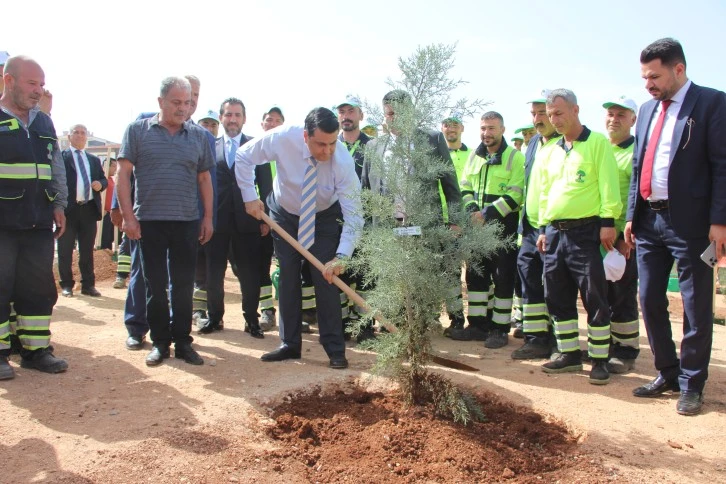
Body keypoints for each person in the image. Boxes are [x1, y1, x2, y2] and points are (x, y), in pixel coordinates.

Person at [625, 38, 726, 415]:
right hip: (650, 221)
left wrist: (720, 221)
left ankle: (692, 384)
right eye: (644, 77)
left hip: (693, 225)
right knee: (649, 298)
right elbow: (639, 166)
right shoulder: (649, 110)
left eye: (654, 76)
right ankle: (668, 372)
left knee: (696, 306)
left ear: (678, 69)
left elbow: (722, 165)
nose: (648, 84)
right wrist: (633, 214)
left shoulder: (713, 102)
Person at [237, 107, 363, 369]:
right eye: (320, 144)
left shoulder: (342, 161)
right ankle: (289, 344)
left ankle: (334, 349)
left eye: (332, 143)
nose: (327, 151)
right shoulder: (282, 138)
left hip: (325, 217)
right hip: (284, 214)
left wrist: (342, 256)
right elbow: (243, 156)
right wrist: (249, 195)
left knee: (326, 277)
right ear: (305, 136)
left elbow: (354, 216)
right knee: (288, 277)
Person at [116, 76, 214, 367]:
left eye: (187, 102)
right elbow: (122, 175)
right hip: (149, 222)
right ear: (160, 102)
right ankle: (160, 343)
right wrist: (128, 217)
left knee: (183, 286)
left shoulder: (197, 136)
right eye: (176, 102)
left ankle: (183, 341)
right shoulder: (137, 131)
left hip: (186, 222)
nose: (183, 108)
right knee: (154, 287)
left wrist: (207, 217)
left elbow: (204, 178)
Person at [534, 89, 621, 385]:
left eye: (559, 112)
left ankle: (598, 359)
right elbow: (546, 193)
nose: (554, 119)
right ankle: (569, 354)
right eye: (550, 114)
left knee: (594, 295)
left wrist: (608, 221)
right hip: (555, 233)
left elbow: (610, 185)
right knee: (556, 294)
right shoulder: (549, 151)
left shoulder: (597, 143)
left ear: (575, 110)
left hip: (586, 231)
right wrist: (544, 227)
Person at [363, 90, 464, 332]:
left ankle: (421, 326)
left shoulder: (431, 139)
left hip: (422, 225)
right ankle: (395, 328)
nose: (394, 118)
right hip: (388, 227)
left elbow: (450, 184)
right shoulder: (374, 147)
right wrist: (367, 228)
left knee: (422, 276)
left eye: (399, 113)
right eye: (389, 114)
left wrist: (456, 221)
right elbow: (365, 191)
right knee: (391, 277)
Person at [0, 55, 69, 379]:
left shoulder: (43, 123)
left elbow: (54, 167)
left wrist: (59, 204)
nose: (39, 91)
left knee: (38, 287)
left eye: (41, 84)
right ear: (8, 80)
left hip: (39, 221)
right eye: (32, 83)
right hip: (3, 222)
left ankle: (36, 350)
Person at [450, 112, 524, 349]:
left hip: (503, 229)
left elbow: (516, 193)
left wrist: (487, 213)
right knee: (476, 277)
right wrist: (473, 209)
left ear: (502, 129)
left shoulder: (515, 157)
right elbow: (465, 185)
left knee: (502, 280)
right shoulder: (474, 155)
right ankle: (478, 326)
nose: (486, 133)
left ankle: (499, 329)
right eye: (483, 128)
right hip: (476, 228)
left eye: (491, 128)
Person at [199, 97, 272, 338]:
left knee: (249, 274)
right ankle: (214, 317)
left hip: (247, 222)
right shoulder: (209, 146)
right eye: (228, 114)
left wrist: (264, 219)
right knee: (214, 272)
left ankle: (252, 320)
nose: (232, 119)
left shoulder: (255, 146)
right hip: (215, 222)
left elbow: (265, 185)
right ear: (221, 118)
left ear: (244, 119)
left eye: (237, 115)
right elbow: (201, 182)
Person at [511, 90, 562, 360]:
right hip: (530, 226)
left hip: (555, 225)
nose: (538, 118)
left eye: (543, 112)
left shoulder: (564, 143)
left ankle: (558, 342)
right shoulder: (533, 144)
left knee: (554, 283)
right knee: (529, 277)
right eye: (534, 113)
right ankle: (535, 339)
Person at [601, 96, 641, 374]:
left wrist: (626, 234)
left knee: (623, 293)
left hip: (623, 237)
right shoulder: (601, 149)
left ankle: (626, 351)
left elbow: (637, 195)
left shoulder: (638, 151)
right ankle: (604, 346)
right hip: (599, 235)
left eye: (621, 115)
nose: (614, 119)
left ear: (633, 120)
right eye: (610, 114)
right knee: (600, 293)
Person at [335, 95, 374, 342]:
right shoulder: (330, 144)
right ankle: (339, 324)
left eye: (351, 111)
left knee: (366, 276)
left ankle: (365, 327)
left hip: (366, 222)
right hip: (335, 221)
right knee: (339, 273)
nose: (346, 116)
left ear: (361, 115)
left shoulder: (374, 147)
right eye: (342, 111)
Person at [57, 124, 107, 298]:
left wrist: (101, 184)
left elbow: (103, 179)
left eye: (83, 133)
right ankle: (66, 285)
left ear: (87, 137)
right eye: (75, 132)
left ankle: (88, 285)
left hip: (88, 209)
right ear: (69, 137)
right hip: (68, 211)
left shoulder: (93, 160)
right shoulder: (61, 158)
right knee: (65, 250)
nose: (79, 135)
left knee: (87, 250)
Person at [258, 106, 285, 331]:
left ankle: (294, 313)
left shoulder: (290, 150)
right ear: (262, 124)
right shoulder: (254, 151)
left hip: (285, 219)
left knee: (286, 266)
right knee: (261, 266)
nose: (273, 123)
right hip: (260, 219)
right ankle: (267, 311)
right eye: (269, 120)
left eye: (278, 120)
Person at [100, 157, 118, 250]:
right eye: (113, 166)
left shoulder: (112, 180)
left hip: (111, 213)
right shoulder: (102, 180)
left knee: (110, 238)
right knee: (103, 238)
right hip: (103, 214)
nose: (115, 168)